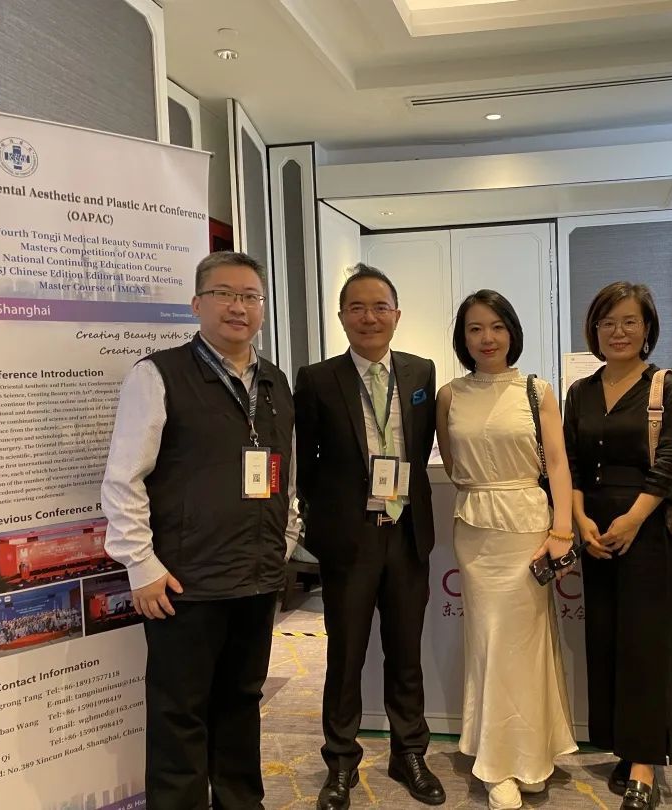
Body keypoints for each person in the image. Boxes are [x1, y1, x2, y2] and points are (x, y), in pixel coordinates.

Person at [101, 250, 297, 810]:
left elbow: (285, 475)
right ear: (197, 304)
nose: (238, 307)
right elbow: (123, 478)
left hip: (256, 576)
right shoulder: (158, 375)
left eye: (250, 297)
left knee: (242, 704)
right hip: (182, 584)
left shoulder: (275, 382)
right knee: (179, 717)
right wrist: (141, 565)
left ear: (262, 309)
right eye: (224, 294)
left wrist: (284, 541)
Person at [294, 263, 443, 810]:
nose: (369, 317)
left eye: (380, 307)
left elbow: (421, 448)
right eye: (357, 307)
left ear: (397, 315)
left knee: (406, 652)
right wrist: (325, 526)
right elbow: (307, 464)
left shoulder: (421, 372)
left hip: (406, 533)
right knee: (346, 655)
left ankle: (410, 753)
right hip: (350, 539)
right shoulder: (316, 378)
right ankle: (340, 761)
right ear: (341, 317)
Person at [435, 290, 577, 810]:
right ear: (463, 337)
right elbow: (452, 465)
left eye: (496, 326)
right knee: (489, 642)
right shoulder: (449, 395)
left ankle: (531, 754)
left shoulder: (537, 390)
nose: (487, 338)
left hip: (528, 527)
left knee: (527, 644)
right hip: (477, 529)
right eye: (475, 328)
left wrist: (562, 529)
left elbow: (557, 464)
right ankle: (498, 763)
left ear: (512, 331)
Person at [564, 281, 672, 810]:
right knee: (606, 641)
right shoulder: (580, 392)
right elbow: (568, 463)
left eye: (629, 321)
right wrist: (579, 522)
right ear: (594, 329)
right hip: (594, 530)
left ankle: (644, 763)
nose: (618, 331)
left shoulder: (665, 386)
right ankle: (623, 744)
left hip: (647, 527)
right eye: (608, 322)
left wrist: (633, 520)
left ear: (647, 328)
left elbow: (671, 461)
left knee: (644, 646)